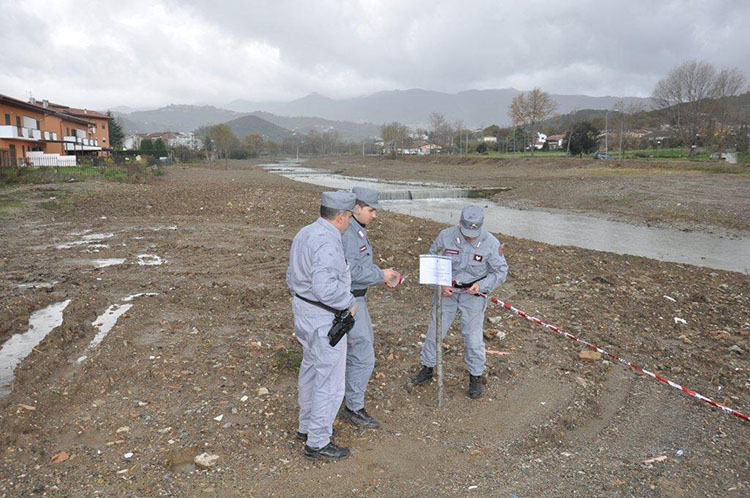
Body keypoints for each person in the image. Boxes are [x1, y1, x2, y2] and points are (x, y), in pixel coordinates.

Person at [287, 191, 359, 461]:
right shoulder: (328, 242)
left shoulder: (305, 232)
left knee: (310, 371)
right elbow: (325, 287)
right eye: (350, 216)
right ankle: (318, 442)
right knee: (330, 381)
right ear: (340, 216)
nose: (351, 221)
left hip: (305, 312)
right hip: (324, 318)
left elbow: (291, 273)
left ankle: (305, 427)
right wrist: (349, 302)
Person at [410, 204, 508, 399]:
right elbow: (430, 264)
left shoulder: (491, 243)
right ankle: (428, 368)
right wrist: (439, 285)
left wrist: (482, 286)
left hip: (473, 295)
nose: (470, 236)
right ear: (460, 223)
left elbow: (501, 271)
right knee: (435, 332)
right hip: (447, 292)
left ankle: (475, 376)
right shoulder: (445, 237)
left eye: (474, 232)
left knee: (472, 338)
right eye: (466, 231)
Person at [339, 187, 402, 429]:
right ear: (356, 208)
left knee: (352, 352)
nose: (375, 215)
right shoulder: (348, 234)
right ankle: (353, 407)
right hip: (351, 300)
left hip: (356, 297)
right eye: (371, 210)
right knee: (363, 354)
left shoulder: (357, 230)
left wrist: (380, 277)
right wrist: (380, 274)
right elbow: (350, 270)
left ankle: (344, 400)